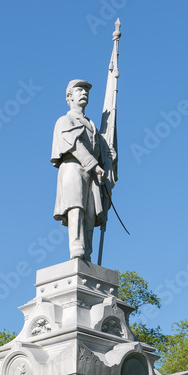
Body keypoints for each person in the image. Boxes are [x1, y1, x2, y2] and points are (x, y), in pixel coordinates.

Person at [51, 79, 114, 262]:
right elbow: (74, 145)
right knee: (76, 207)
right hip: (73, 167)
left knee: (90, 212)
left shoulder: (93, 127)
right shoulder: (65, 120)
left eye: (86, 90)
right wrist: (95, 164)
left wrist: (109, 155)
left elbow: (104, 154)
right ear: (69, 96)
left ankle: (87, 253)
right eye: (79, 90)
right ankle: (76, 248)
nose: (84, 93)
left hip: (92, 174)